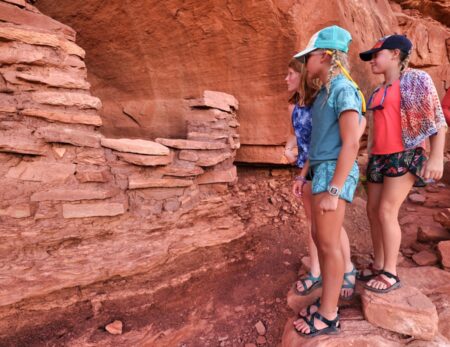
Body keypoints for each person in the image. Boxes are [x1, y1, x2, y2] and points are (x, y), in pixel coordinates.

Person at [357, 35, 447, 293]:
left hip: (405, 153)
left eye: (376, 55)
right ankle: (378, 263)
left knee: (386, 211)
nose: (372, 61)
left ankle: (391, 272)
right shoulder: (377, 91)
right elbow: (374, 128)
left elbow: (436, 119)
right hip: (379, 157)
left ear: (395, 54)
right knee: (372, 211)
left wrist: (436, 156)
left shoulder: (417, 80)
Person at [290, 25, 365, 337]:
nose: (306, 63)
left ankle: (329, 316)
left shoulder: (344, 90)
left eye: (308, 57)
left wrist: (334, 189)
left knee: (330, 246)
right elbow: (318, 142)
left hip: (336, 173)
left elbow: (351, 144)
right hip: (321, 170)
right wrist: (304, 175)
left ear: (324, 55)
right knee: (322, 242)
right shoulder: (325, 91)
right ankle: (327, 302)